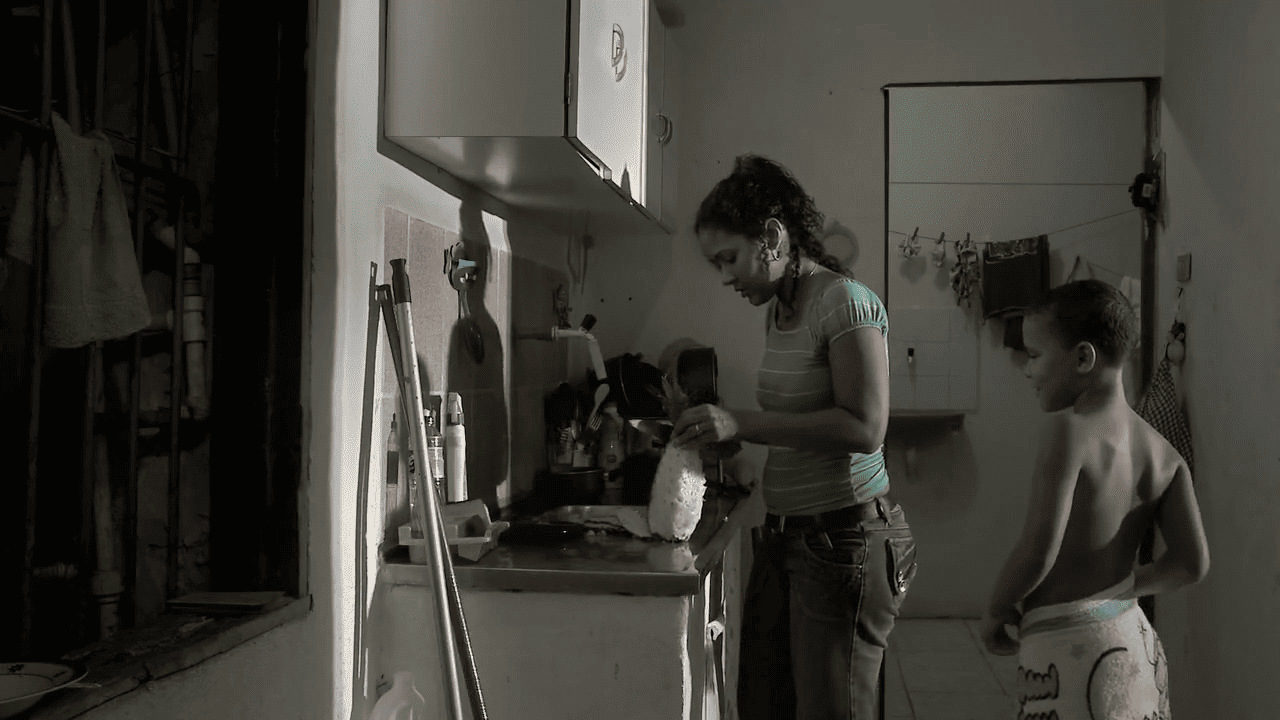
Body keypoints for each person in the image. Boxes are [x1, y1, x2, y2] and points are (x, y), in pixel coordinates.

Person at [671, 155, 917, 720]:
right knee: (762, 705)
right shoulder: (779, 310)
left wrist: (742, 422)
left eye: (729, 258)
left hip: (844, 542)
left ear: (772, 238)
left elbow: (866, 428)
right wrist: (716, 436)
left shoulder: (843, 301)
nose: (726, 276)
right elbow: (796, 427)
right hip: (789, 539)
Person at [982, 279, 1210, 719]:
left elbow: (1037, 551)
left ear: (1083, 358)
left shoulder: (1069, 432)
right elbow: (1192, 563)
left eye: (1034, 356)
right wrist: (1120, 591)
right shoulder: (1164, 453)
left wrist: (996, 608)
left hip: (1072, 649)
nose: (1027, 370)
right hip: (1131, 637)